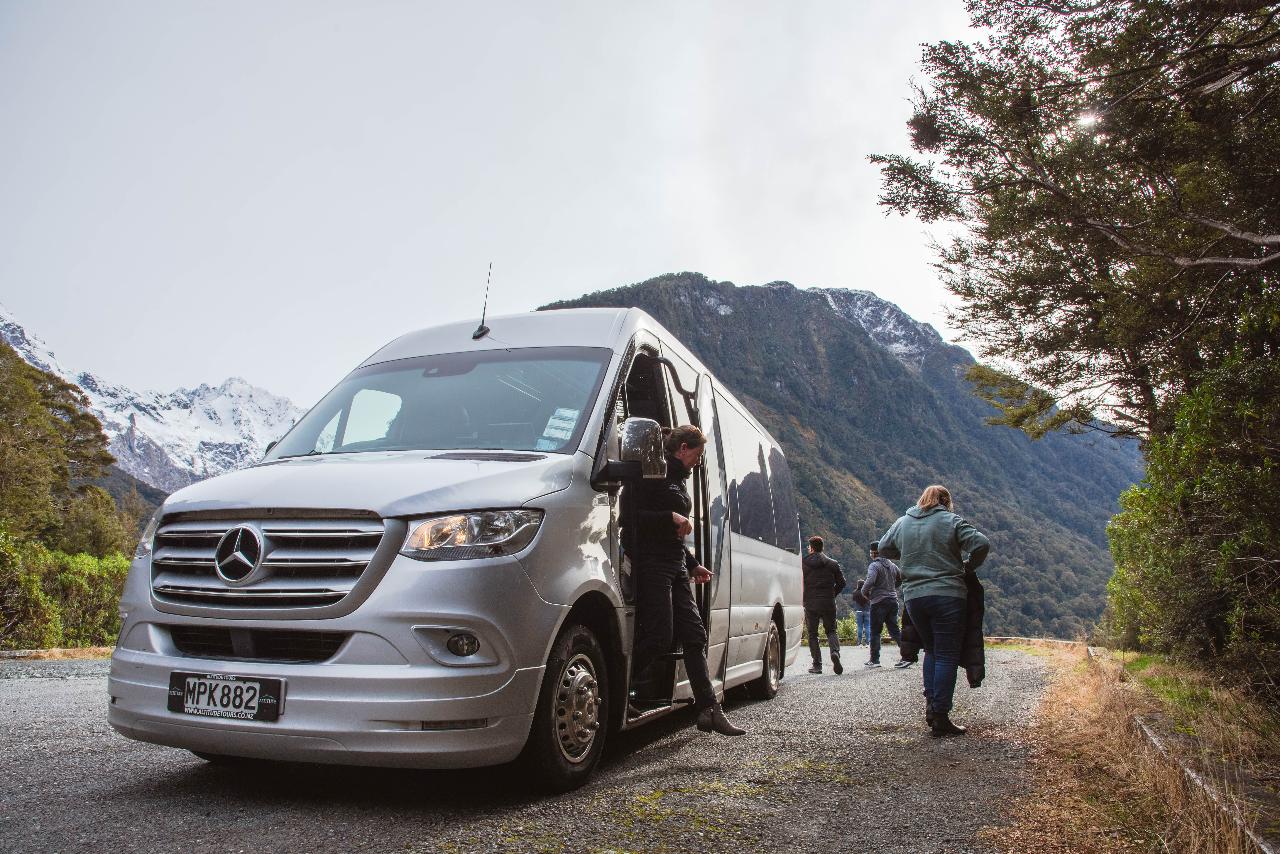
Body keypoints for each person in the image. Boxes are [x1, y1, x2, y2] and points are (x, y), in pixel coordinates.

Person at [621, 424, 745, 737]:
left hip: (675, 565)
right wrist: (669, 517)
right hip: (651, 564)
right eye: (698, 454)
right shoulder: (653, 474)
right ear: (684, 448)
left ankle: (709, 710)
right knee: (660, 636)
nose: (698, 461)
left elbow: (674, 537)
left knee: (694, 634)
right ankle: (619, 693)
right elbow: (628, 519)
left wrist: (692, 565)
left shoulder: (678, 479)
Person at [879, 484, 990, 737]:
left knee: (930, 650)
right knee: (947, 654)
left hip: (914, 597)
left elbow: (884, 547)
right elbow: (981, 543)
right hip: (948, 595)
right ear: (945, 501)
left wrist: (910, 556)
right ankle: (940, 715)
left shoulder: (903, 522)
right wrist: (967, 567)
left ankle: (931, 707)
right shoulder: (951, 521)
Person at [802, 536, 846, 674]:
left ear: (811, 548)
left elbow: (799, 583)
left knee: (813, 634)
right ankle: (835, 653)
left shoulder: (803, 564)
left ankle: (817, 665)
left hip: (811, 603)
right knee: (831, 630)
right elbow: (842, 583)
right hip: (828, 602)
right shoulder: (832, 564)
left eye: (809, 547)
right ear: (822, 547)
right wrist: (833, 594)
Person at [863, 542, 903, 669]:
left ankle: (875, 660)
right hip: (893, 600)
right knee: (894, 630)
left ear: (874, 552)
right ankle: (908, 655)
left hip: (879, 601)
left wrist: (864, 592)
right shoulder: (892, 565)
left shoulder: (874, 566)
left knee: (875, 631)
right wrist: (892, 588)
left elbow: (870, 580)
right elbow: (901, 577)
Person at [852, 580, 870, 646]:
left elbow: (854, 599)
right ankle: (868, 641)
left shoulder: (855, 592)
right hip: (867, 610)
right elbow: (870, 598)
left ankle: (859, 641)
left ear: (858, 585)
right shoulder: (867, 591)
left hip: (859, 610)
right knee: (867, 626)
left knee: (860, 626)